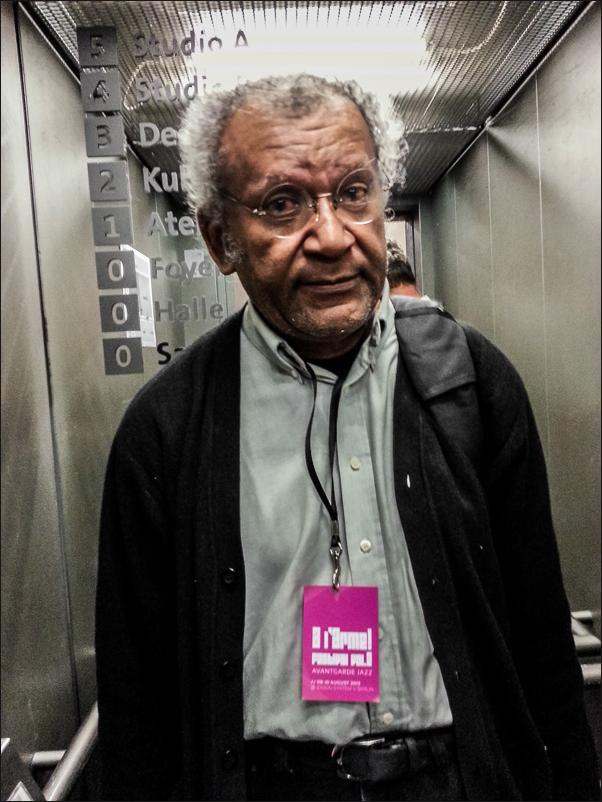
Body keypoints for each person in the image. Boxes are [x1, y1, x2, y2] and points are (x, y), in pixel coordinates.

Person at [95, 73, 599, 802]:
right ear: (220, 238)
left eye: (353, 193)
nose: (331, 237)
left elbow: (541, 641)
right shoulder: (166, 431)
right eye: (282, 204)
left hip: (461, 781)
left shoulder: (471, 384)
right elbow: (137, 706)